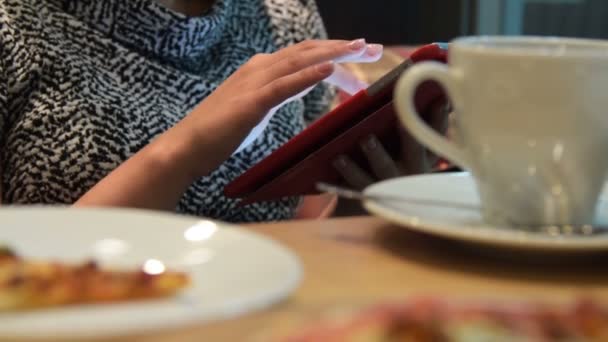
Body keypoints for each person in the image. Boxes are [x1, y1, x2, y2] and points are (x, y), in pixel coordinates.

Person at [0, 0, 445, 222]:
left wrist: (370, 196)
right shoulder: (16, 24)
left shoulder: (284, 17)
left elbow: (295, 220)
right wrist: (183, 151)